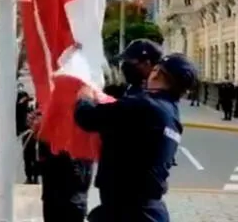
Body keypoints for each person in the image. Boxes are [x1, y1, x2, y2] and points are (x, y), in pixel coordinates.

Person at [75, 53, 197, 222]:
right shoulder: (171, 113)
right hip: (146, 210)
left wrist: (85, 97)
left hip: (129, 211)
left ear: (156, 73)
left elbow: (87, 118)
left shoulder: (144, 105)